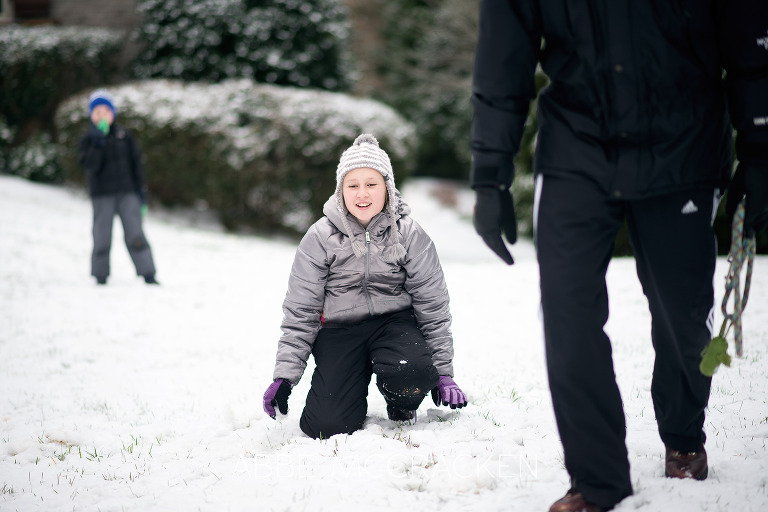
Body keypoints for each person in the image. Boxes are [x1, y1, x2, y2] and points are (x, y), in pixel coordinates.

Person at [469, 2, 768, 511]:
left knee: (683, 312)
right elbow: (504, 52)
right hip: (576, 145)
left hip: (684, 143)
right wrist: (490, 167)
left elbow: (751, 45)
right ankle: (597, 478)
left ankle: (683, 433)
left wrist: (761, 152)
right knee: (567, 312)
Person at [263, 134, 467, 439]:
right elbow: (300, 310)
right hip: (339, 331)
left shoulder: (409, 234)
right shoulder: (320, 237)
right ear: (340, 189)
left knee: (412, 374)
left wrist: (442, 373)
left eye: (371, 183)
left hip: (394, 325)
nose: (362, 193)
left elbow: (432, 304)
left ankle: (400, 401)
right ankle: (347, 388)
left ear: (387, 186)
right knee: (324, 427)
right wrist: (285, 377)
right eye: (352, 184)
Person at [78, 89, 158, 286]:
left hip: (127, 192)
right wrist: (98, 142)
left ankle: (148, 273)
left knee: (135, 233)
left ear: (113, 113)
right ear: (91, 115)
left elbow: (136, 165)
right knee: (101, 235)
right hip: (102, 194)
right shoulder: (88, 140)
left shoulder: (125, 136)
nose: (102, 115)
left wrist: (141, 193)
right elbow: (89, 167)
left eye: (106, 111)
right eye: (97, 112)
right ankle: (100, 275)